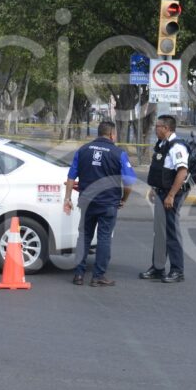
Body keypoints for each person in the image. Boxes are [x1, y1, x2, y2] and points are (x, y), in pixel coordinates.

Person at [63, 121, 136, 287]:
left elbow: (71, 177)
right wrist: (123, 199)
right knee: (104, 238)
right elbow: (129, 182)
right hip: (108, 202)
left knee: (84, 236)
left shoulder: (83, 150)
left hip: (87, 202)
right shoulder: (119, 153)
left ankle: (79, 275)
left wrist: (67, 198)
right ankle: (98, 276)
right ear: (111, 134)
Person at [140, 115, 189, 283]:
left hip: (171, 194)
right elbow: (160, 170)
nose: (156, 128)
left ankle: (177, 270)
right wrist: (155, 189)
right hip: (161, 192)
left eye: (158, 126)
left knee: (171, 232)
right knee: (160, 232)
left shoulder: (177, 147)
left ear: (167, 128)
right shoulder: (162, 145)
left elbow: (182, 172)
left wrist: (171, 195)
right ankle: (158, 268)